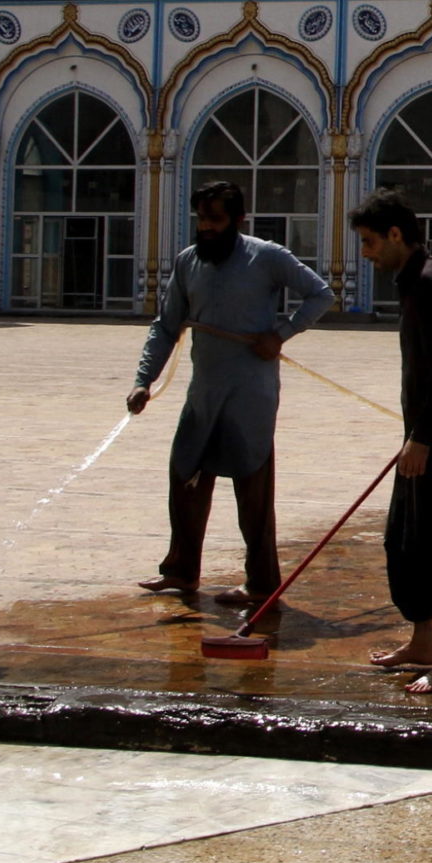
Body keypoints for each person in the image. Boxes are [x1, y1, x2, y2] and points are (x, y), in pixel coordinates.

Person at [127, 181, 334, 607]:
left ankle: (261, 583)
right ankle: (182, 571)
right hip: (203, 392)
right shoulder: (188, 263)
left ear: (239, 220)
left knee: (252, 490)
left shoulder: (267, 256)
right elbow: (166, 326)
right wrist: (142, 380)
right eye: (201, 219)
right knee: (184, 475)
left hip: (250, 396)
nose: (205, 227)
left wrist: (281, 334)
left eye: (215, 219)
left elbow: (321, 294)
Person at [352, 188, 432, 677]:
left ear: (395, 234)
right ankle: (423, 641)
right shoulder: (423, 277)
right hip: (424, 437)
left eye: (369, 242)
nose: (365, 254)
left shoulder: (429, 282)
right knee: (406, 542)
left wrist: (423, 436)